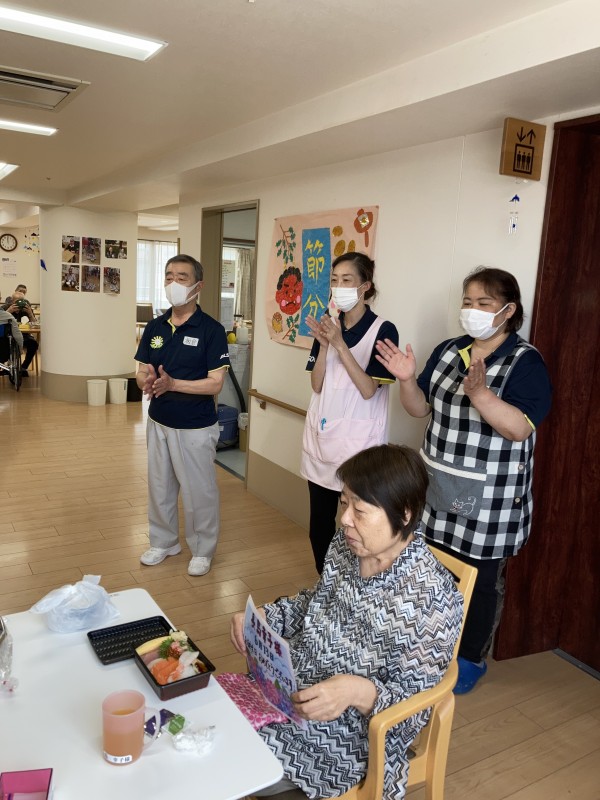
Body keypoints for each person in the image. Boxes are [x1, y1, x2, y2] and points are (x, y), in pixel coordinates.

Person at [230, 444, 463, 800]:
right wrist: (263, 616)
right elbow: (315, 601)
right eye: (344, 503)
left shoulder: (433, 598)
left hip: (348, 737)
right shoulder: (346, 545)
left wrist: (355, 691)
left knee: (230, 761)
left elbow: (412, 712)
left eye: (361, 510)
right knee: (210, 727)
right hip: (293, 688)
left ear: (404, 514)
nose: (345, 520)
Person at [375, 266, 552, 694]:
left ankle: (470, 657)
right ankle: (426, 644)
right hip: (438, 484)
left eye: (484, 303)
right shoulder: (449, 350)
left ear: (508, 311)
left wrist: (481, 394)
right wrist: (405, 380)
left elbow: (519, 428)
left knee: (482, 579)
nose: (472, 310)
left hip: (490, 496)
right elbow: (419, 408)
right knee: (431, 568)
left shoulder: (525, 361)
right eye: (468, 301)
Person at [300, 252, 399, 573]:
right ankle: (325, 583)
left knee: (356, 527)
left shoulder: (383, 329)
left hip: (358, 447)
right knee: (319, 527)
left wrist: (340, 345)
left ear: (365, 286)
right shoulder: (329, 323)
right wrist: (325, 344)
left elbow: (369, 389)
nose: (338, 287)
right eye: (334, 280)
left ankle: (352, 587)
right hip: (322, 442)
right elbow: (316, 384)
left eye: (347, 280)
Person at [134, 254, 231, 577]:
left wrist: (174, 384)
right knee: (159, 487)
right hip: (159, 420)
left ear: (198, 286)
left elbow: (215, 383)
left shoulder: (211, 330)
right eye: (168, 276)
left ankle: (203, 549)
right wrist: (146, 381)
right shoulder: (155, 327)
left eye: (182, 277)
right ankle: (164, 542)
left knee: (198, 492)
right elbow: (141, 370)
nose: (173, 283)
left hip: (195, 426)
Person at [2, 285, 38, 376]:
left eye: (21, 301)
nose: (19, 303)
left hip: (24, 335)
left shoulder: (26, 308)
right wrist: (9, 311)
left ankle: (24, 367)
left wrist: (30, 313)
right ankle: (7, 367)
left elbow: (35, 325)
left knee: (33, 344)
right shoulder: (5, 307)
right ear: (12, 301)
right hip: (9, 335)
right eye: (16, 301)